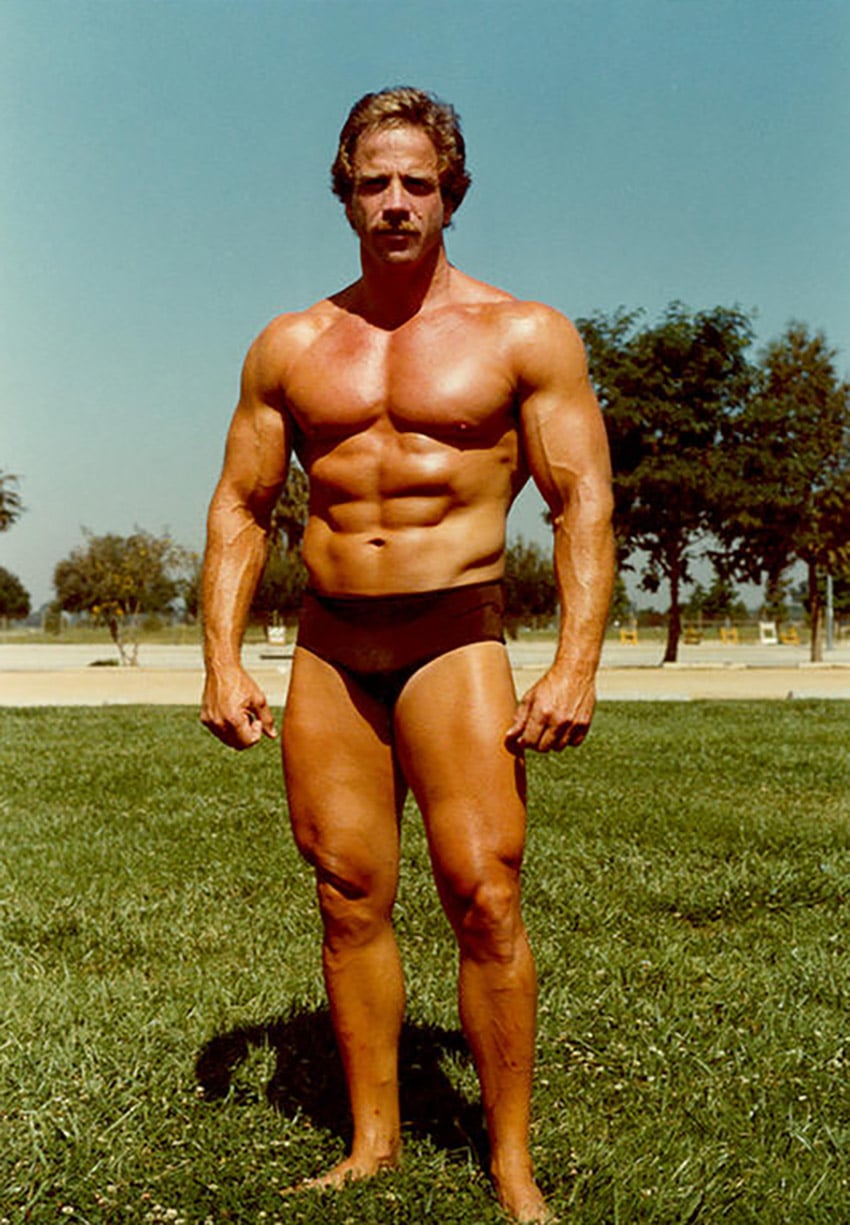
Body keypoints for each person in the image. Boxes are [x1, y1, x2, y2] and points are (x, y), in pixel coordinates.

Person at [201, 86, 614, 1224]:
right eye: (374, 182)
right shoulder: (290, 346)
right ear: (344, 196)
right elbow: (241, 505)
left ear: (452, 193)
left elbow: (581, 502)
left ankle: (510, 1161)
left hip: (453, 632)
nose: (395, 202)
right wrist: (221, 659)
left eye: (417, 183)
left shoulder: (524, 334)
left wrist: (575, 663)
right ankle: (372, 1142)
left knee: (483, 891)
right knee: (346, 892)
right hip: (331, 640)